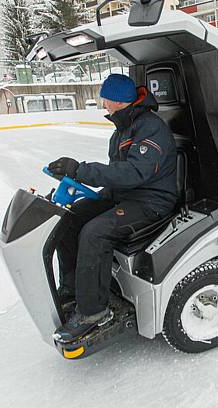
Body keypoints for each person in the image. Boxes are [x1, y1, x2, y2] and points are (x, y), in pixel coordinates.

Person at [48, 73, 177, 342]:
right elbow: (118, 176)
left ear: (116, 101)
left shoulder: (150, 128)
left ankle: (94, 312)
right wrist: (83, 187)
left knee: (96, 232)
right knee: (71, 218)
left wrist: (81, 170)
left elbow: (133, 173)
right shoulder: (124, 128)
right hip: (127, 196)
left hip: (152, 201)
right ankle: (73, 291)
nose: (102, 103)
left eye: (104, 98)